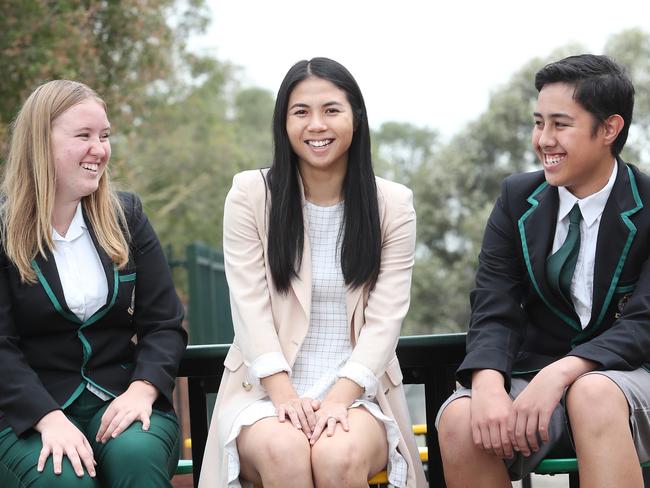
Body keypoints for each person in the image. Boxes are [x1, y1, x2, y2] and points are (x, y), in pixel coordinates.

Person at [198, 57, 426, 488]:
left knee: (336, 456)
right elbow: (249, 305)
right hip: (265, 392)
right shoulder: (251, 195)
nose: (316, 125)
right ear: (283, 123)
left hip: (359, 393)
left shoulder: (393, 205)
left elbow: (386, 319)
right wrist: (285, 396)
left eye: (331, 110)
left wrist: (339, 399)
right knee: (286, 450)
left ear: (355, 118)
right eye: (301, 112)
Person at [437, 54, 650, 487]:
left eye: (560, 124)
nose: (544, 139)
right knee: (461, 418)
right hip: (534, 375)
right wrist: (489, 381)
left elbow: (645, 322)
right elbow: (493, 304)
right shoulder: (518, 198)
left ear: (609, 129)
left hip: (632, 376)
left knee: (592, 394)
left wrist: (566, 371)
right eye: (539, 123)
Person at [0, 80, 187, 487]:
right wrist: (47, 418)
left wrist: (143, 389)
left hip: (121, 396)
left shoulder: (127, 216)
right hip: (26, 411)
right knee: (62, 477)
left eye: (104, 136)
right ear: (39, 144)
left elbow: (164, 323)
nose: (99, 150)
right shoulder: (3, 229)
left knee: (137, 456)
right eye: (83, 136)